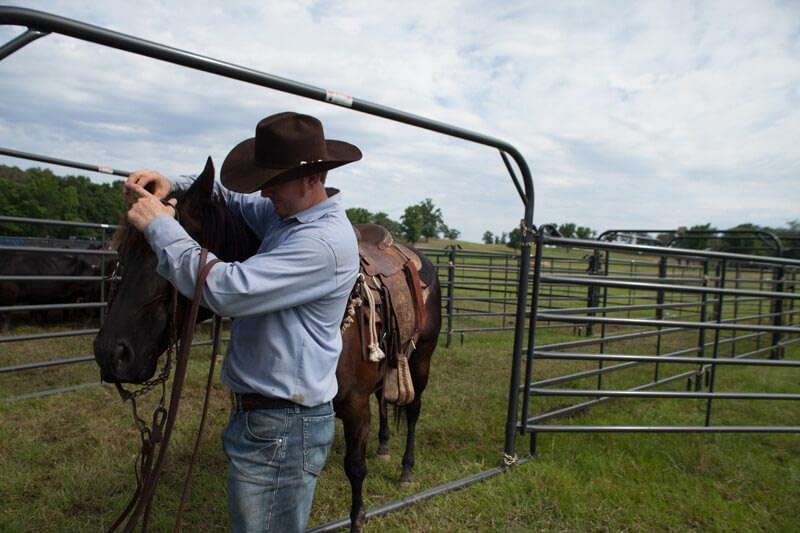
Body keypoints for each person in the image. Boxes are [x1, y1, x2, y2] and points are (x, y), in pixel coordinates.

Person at [123, 111, 362, 532]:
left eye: (273, 180)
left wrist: (160, 227)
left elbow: (225, 289)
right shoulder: (287, 213)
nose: (264, 191)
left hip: (284, 425)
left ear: (312, 178)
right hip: (270, 421)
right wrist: (169, 182)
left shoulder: (320, 242)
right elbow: (230, 197)